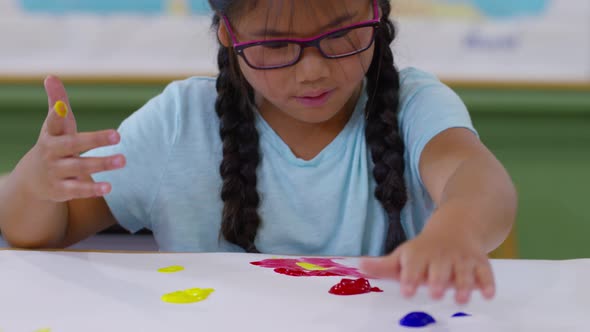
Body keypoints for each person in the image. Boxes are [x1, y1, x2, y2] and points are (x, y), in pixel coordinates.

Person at [0, 0, 517, 304]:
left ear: (377, 14)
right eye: (275, 45)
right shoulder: (181, 121)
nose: (313, 70)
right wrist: (35, 183)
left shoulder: (414, 103)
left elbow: (476, 176)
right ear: (229, 35)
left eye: (341, 35)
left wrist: (454, 234)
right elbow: (42, 230)